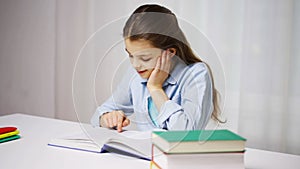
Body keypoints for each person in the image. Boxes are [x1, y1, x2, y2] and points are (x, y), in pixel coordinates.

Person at [91, 4, 222, 132]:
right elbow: (97, 116)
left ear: (170, 53)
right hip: (145, 153)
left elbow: (186, 133)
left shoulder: (196, 74)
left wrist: (155, 88)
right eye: (130, 56)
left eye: (145, 58)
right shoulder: (136, 73)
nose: (135, 65)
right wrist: (107, 118)